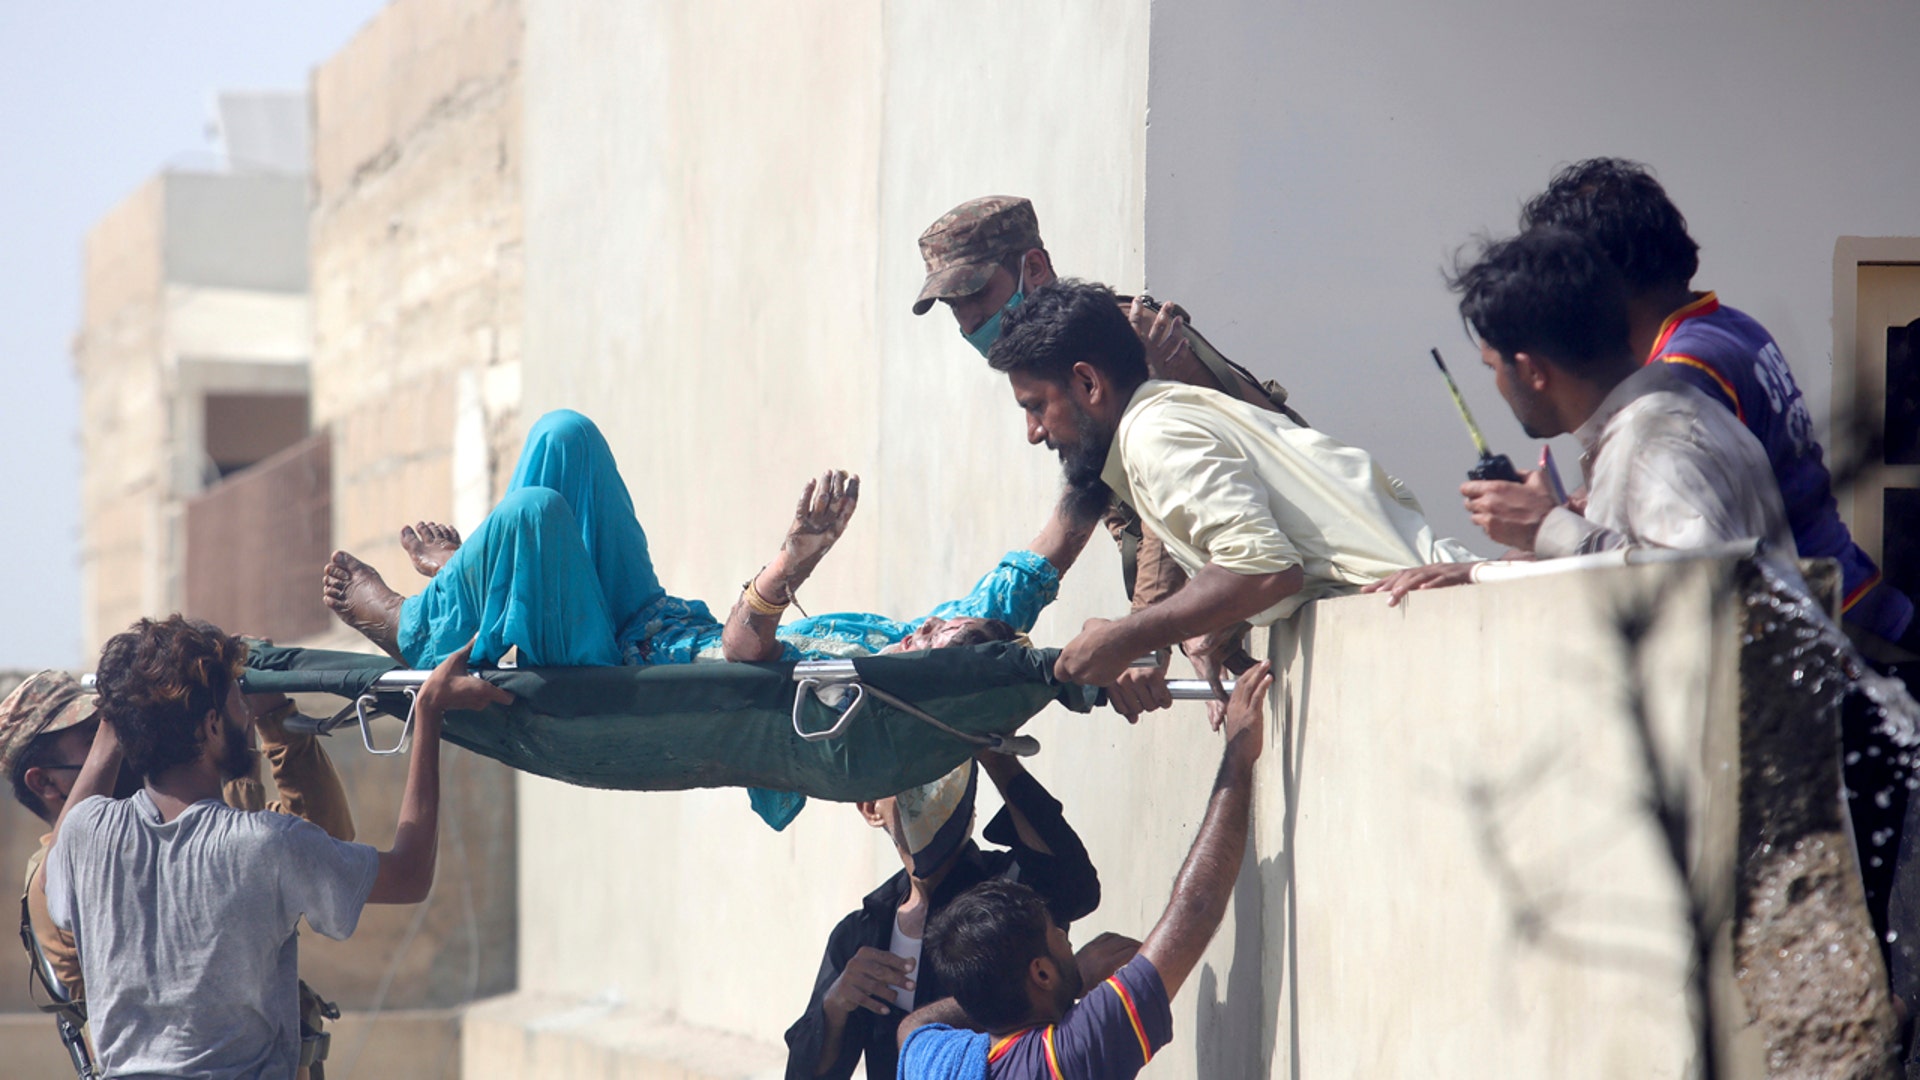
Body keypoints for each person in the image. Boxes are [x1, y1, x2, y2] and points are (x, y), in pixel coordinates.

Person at [43, 616, 509, 1079]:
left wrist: (121, 712)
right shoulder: (265, 844)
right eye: (235, 704)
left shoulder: (85, 834)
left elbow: (56, 876)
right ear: (210, 725)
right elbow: (409, 875)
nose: (244, 715)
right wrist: (427, 714)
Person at [985, 279, 1470, 719]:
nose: (1034, 432)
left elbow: (1264, 568)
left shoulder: (1156, 434)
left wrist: (1124, 637)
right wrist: (1221, 623)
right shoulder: (1162, 420)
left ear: (1089, 383)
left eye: (1035, 406)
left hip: (1435, 633)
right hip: (1419, 628)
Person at [323, 410, 1099, 671]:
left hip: (613, 667)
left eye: (943, 634)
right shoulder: (908, 638)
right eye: (947, 620)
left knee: (533, 512)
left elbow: (743, 652)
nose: (933, 624)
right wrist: (1107, 464)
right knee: (567, 436)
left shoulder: (861, 684)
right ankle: (479, 586)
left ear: (935, 663)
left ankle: (418, 625)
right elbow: (1028, 573)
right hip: (654, 616)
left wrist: (794, 561)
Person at [913, 195, 1304, 709]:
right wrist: (968, 642)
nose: (968, 320)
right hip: (1255, 586)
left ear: (1032, 267)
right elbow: (1069, 526)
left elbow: (1167, 507)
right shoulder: (1054, 358)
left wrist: (1141, 644)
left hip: (1283, 569)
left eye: (976, 294)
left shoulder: (1119, 341)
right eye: (953, 306)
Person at [1516, 158, 1916, 650]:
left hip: (1830, 618)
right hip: (1856, 589)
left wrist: (1552, 525)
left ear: (1597, 282)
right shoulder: (1733, 326)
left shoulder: (1680, 374)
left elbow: (1688, 565)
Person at [1364, 225, 1798, 598]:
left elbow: (1699, 587)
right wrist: (1491, 568)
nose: (1496, 384)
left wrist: (1546, 528)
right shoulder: (1655, 422)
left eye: (1493, 367)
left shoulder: (1657, 440)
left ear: (1532, 370)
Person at [894, 661, 1274, 1079]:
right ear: (1040, 972)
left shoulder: (937, 1064)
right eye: (1057, 934)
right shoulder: (1068, 1058)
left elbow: (912, 1029)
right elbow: (1196, 908)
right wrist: (1239, 752)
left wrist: (1056, 983)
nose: (1066, 937)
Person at [4, 664, 357, 1079]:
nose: (123, 739)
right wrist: (238, 764)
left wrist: (273, 715)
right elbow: (222, 889)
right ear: (45, 782)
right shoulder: (61, 882)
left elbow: (324, 842)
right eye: (97, 737)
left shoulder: (171, 828)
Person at [783, 751, 1101, 1080]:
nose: (928, 789)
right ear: (870, 808)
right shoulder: (861, 934)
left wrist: (995, 756)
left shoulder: (1010, 891)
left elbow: (1076, 888)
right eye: (907, 778)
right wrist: (835, 1006)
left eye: (944, 773)